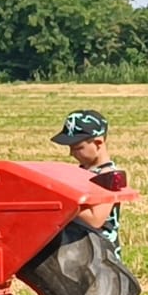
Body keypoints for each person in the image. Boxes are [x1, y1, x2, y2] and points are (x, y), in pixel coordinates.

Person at [50, 109, 124, 259]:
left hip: (101, 255)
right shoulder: (83, 171)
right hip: (83, 250)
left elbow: (95, 219)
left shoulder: (108, 176)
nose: (72, 153)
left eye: (77, 148)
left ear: (98, 143)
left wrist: (62, 202)